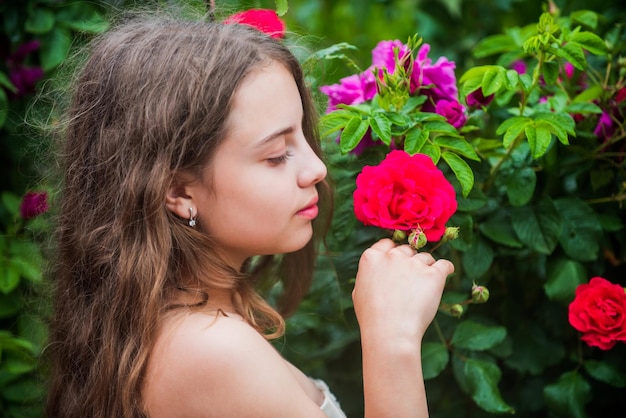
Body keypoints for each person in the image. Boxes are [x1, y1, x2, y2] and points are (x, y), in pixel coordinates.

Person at [44, 13, 454, 418]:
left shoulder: (179, 324)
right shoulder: (210, 350)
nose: (316, 168)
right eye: (276, 156)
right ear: (178, 191)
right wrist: (391, 340)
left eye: (303, 136)